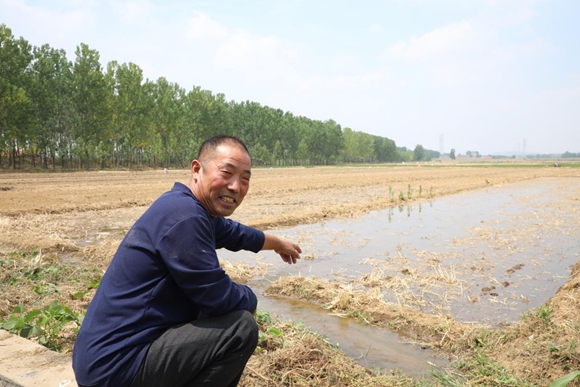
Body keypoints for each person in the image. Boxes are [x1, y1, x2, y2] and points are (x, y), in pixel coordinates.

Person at [72, 135, 302, 387]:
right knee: (239, 328)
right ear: (196, 169)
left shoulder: (185, 206)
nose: (236, 186)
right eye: (227, 172)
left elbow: (235, 234)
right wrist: (251, 299)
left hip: (107, 360)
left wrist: (277, 243)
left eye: (245, 178)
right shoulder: (186, 217)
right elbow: (217, 297)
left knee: (209, 312)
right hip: (117, 367)